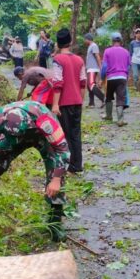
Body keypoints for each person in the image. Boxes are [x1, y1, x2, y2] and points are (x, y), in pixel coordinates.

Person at [0, 101, 70, 241]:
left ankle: (55, 219)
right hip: (13, 137)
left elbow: (62, 149)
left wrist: (56, 179)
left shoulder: (45, 120)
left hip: (40, 135)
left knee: (55, 166)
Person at [50, 28, 86, 173]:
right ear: (70, 42)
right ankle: (77, 165)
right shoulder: (79, 59)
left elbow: (58, 83)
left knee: (65, 133)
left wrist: (55, 104)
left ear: (58, 44)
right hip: (77, 102)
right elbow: (83, 82)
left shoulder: (57, 60)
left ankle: (70, 163)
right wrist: (80, 100)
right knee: (76, 133)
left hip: (64, 103)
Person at [100, 32, 131, 126]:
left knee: (108, 97)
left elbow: (104, 66)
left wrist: (102, 77)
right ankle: (120, 119)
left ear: (112, 41)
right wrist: (126, 76)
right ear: (120, 41)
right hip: (122, 77)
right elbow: (128, 66)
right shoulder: (126, 52)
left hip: (110, 78)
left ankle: (108, 115)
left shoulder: (107, 51)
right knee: (120, 98)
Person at [83, 33, 106, 108]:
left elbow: (97, 56)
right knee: (89, 86)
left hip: (93, 68)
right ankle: (91, 103)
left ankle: (103, 98)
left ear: (88, 39)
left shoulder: (94, 45)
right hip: (90, 69)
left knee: (91, 85)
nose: (84, 41)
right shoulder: (90, 46)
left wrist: (100, 68)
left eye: (85, 39)